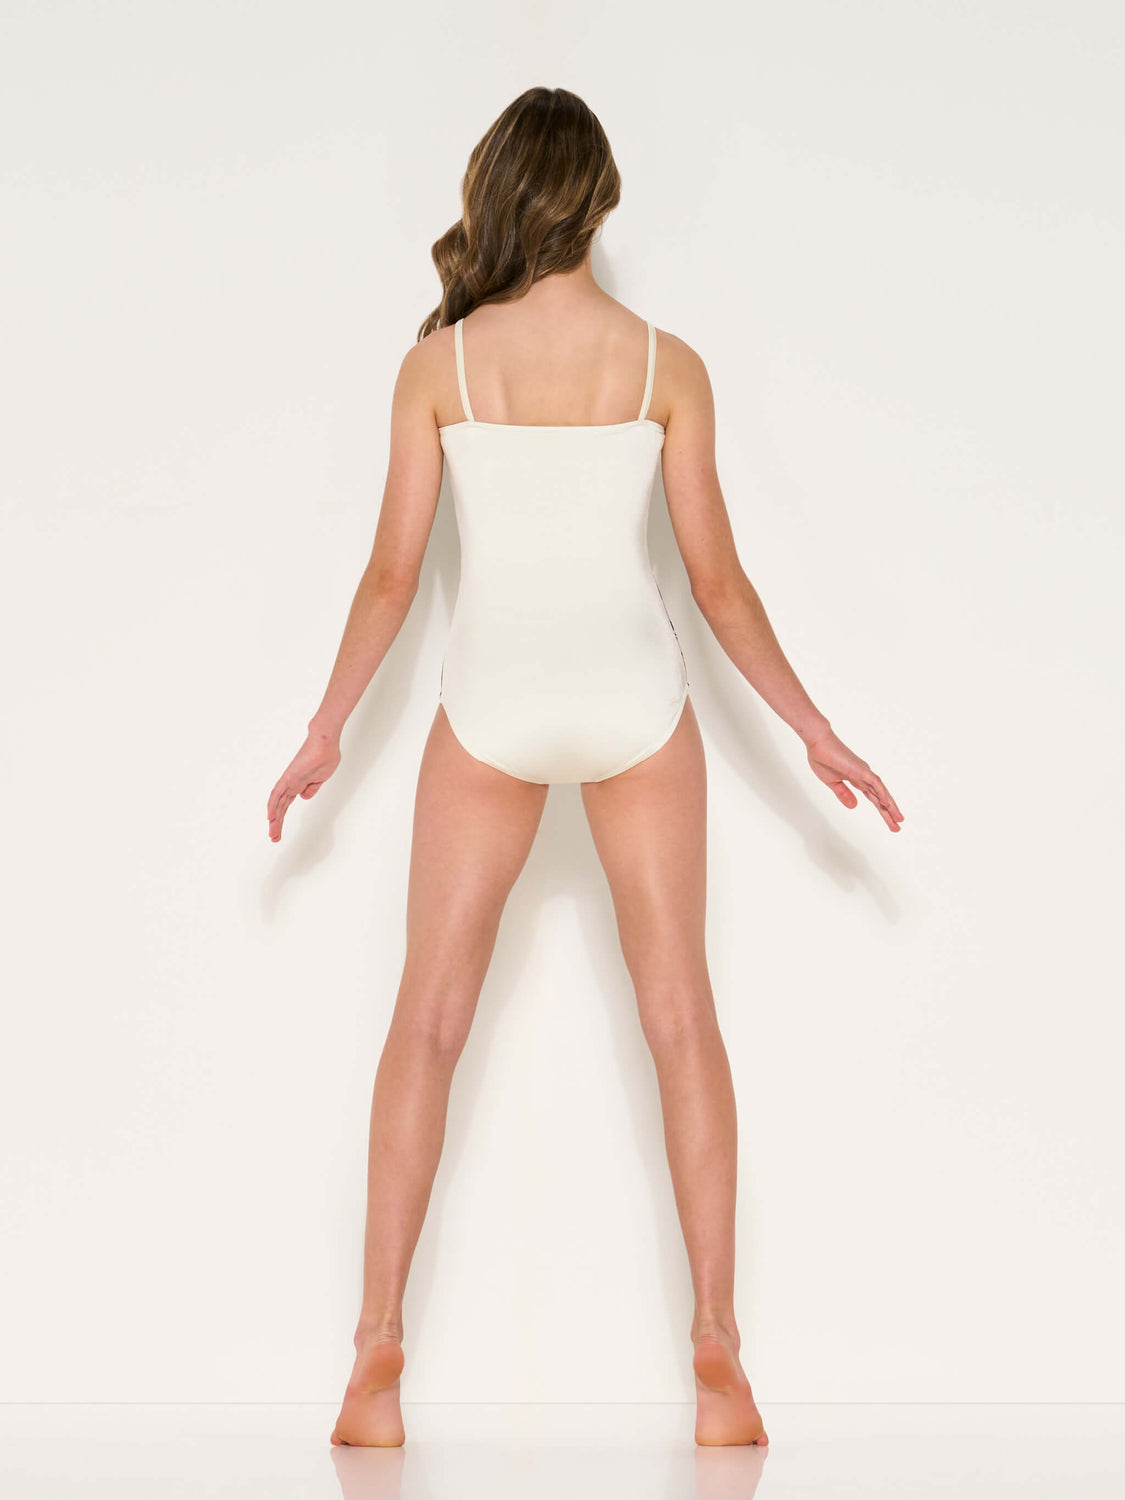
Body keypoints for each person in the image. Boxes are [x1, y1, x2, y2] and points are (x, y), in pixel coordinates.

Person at [266, 86, 903, 1450]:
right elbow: (717, 585)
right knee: (680, 1018)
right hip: (633, 701)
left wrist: (325, 728)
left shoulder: (438, 368)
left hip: (492, 702)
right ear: (600, 197)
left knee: (426, 1024)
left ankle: (374, 1351)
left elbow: (391, 577)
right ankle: (717, 1343)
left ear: (497, 188)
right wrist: (812, 727)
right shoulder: (666, 364)